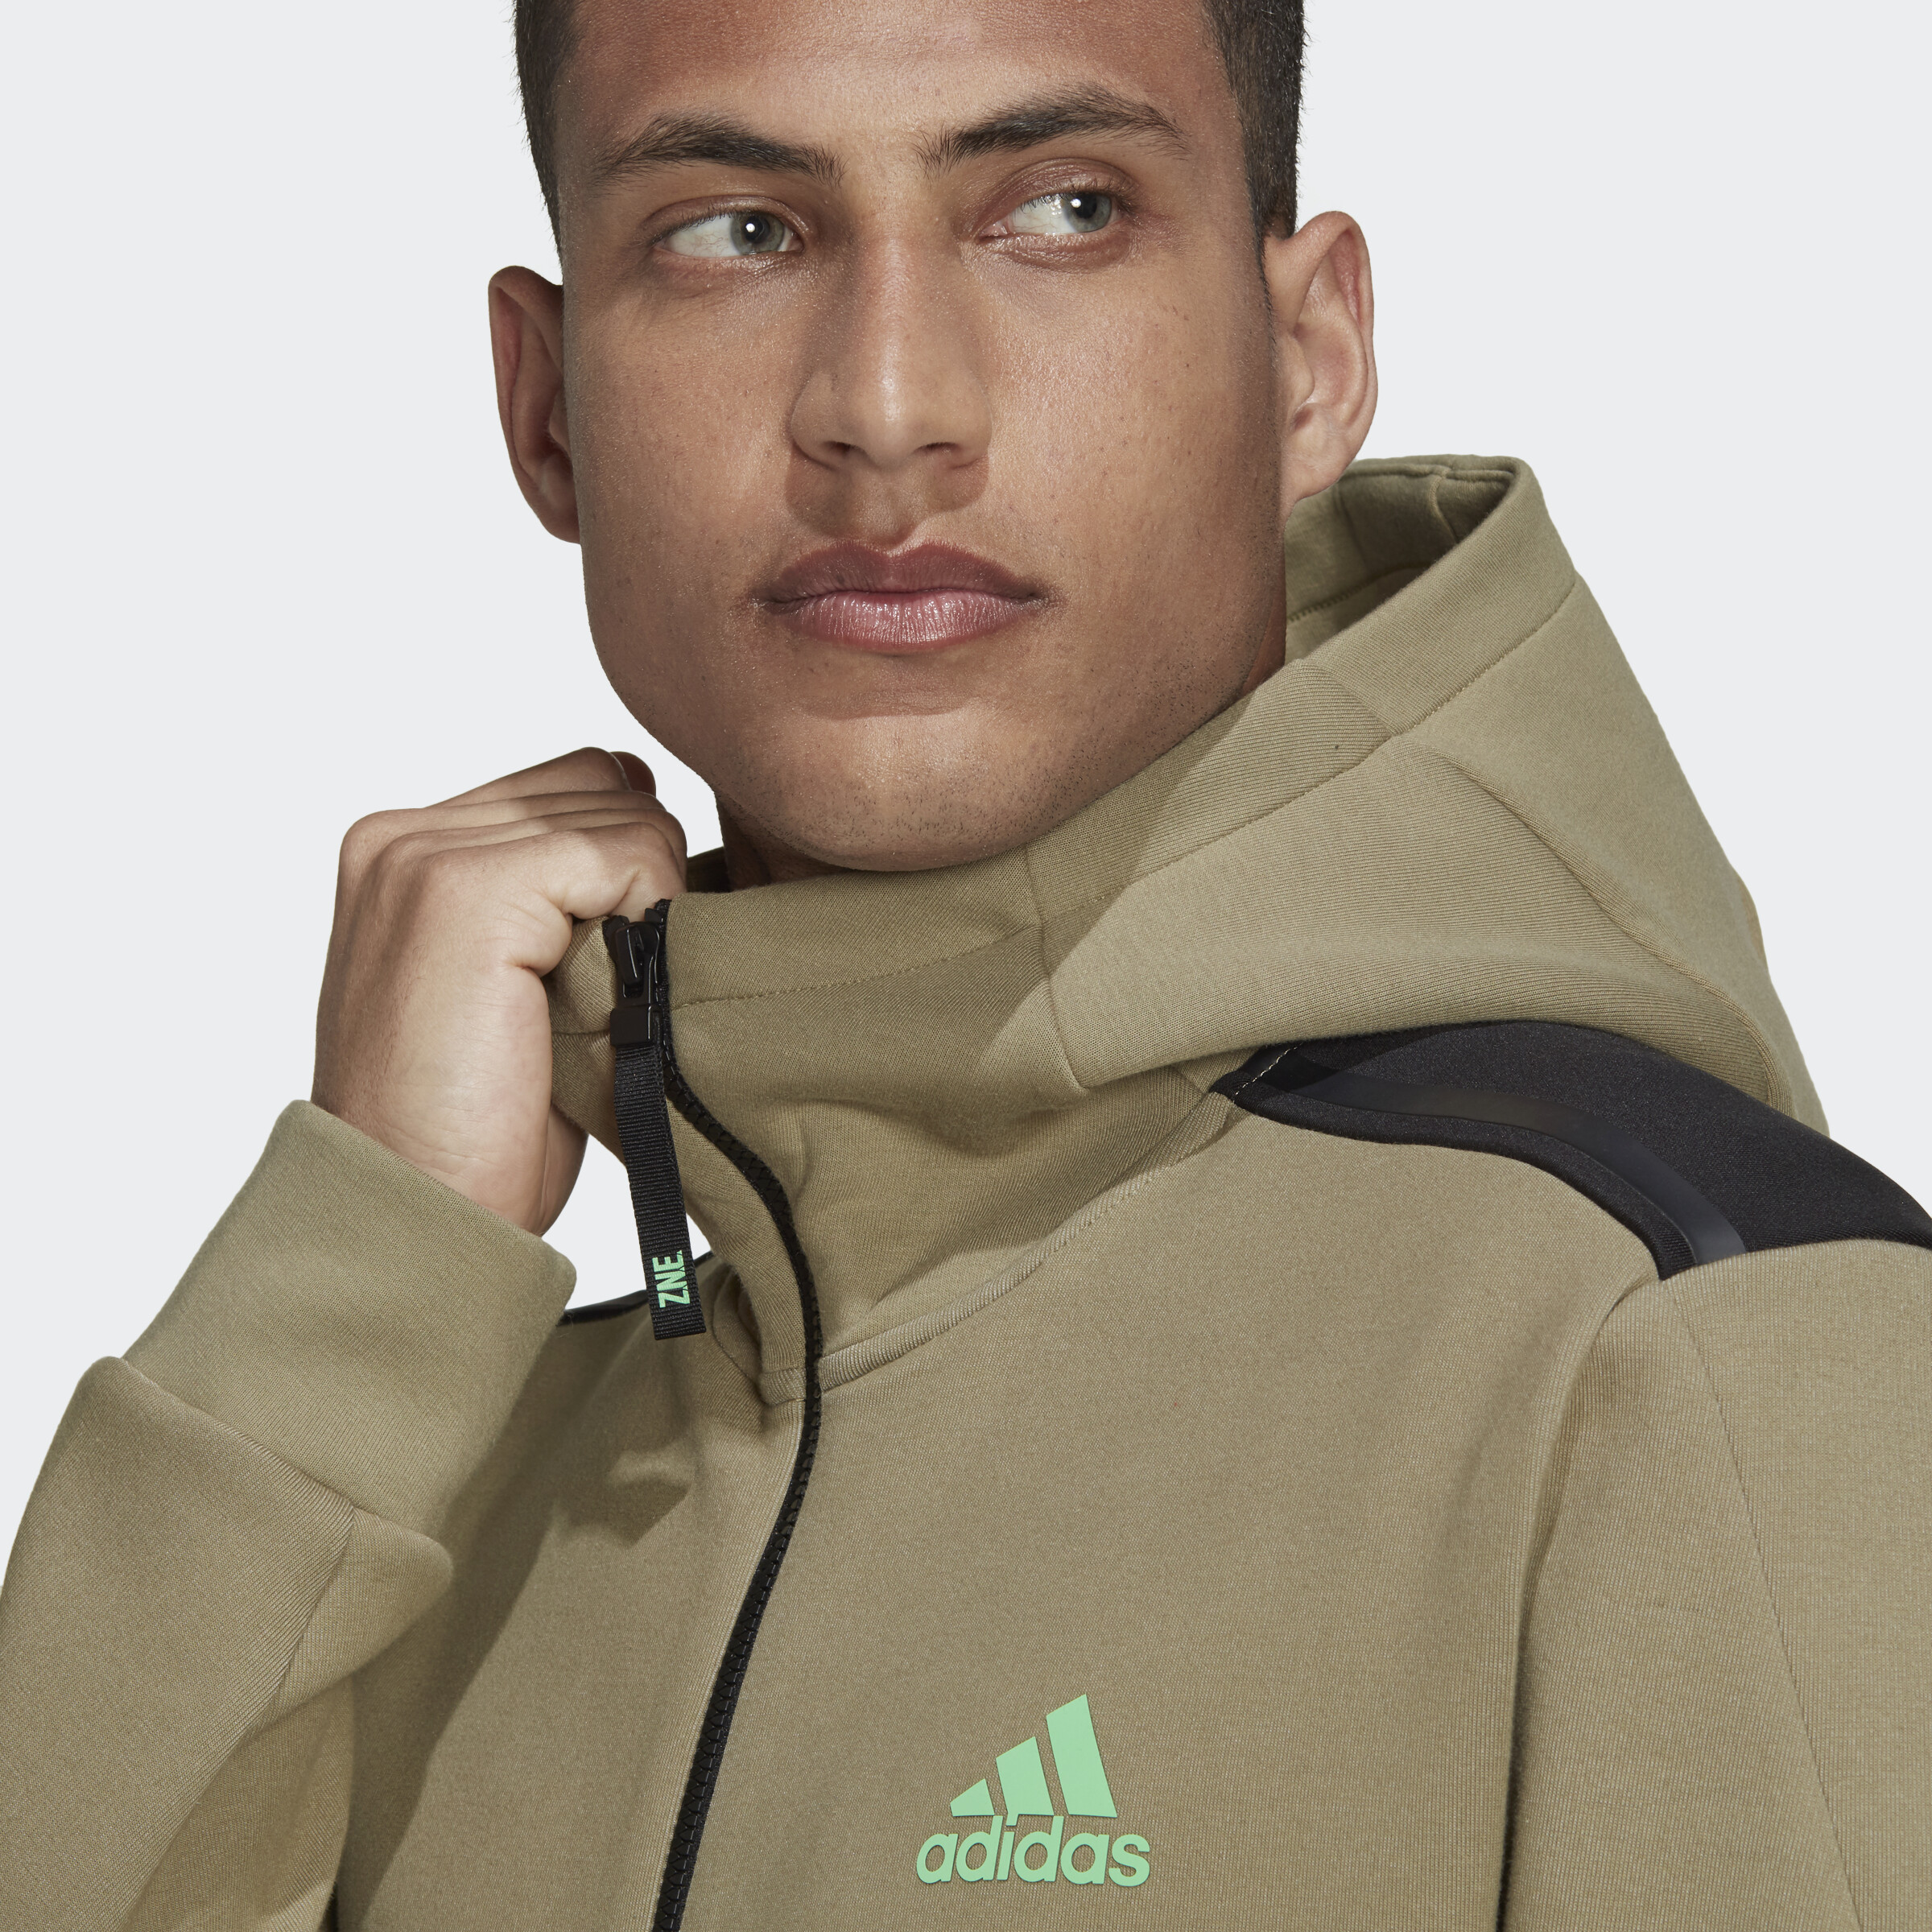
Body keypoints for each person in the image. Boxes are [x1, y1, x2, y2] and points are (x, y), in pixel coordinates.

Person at [2, 0, 1926, 1923]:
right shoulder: (421, 1469)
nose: (889, 405)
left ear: (1310, 361)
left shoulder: (1688, 1347)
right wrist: (363, 1267)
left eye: (1067, 209)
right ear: (546, 402)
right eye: (738, 232)